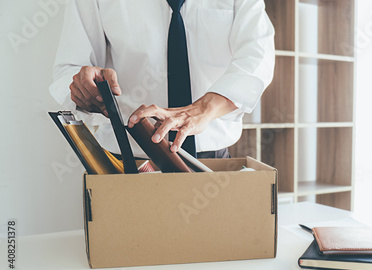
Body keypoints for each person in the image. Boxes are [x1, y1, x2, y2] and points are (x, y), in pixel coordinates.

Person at [50, 0, 275, 159]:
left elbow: (258, 56)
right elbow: (69, 68)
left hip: (213, 163)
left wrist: (202, 109)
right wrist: (86, 87)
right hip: (128, 162)